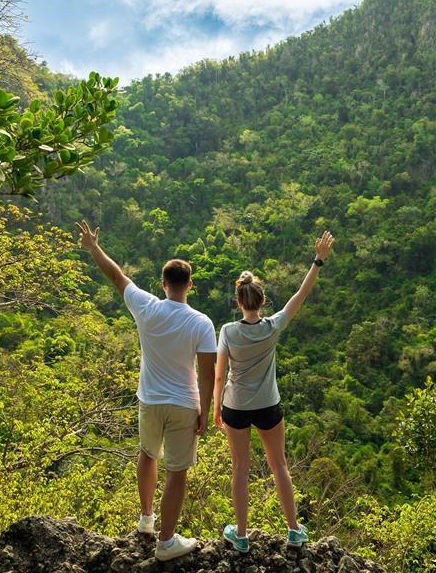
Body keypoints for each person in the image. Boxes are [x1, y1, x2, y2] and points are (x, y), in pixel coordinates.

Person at [76, 220, 217, 561]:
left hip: (150, 399)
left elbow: (116, 275)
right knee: (177, 471)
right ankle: (166, 543)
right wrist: (206, 412)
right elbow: (208, 374)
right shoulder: (201, 322)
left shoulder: (146, 307)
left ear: (163, 283)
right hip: (184, 403)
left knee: (147, 453)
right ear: (190, 285)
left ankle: (146, 519)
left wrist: (94, 247)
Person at [213, 231, 334, 552]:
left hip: (234, 407)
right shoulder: (272, 326)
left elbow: (219, 375)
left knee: (240, 468)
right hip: (268, 405)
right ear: (262, 302)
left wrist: (215, 409)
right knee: (279, 465)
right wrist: (318, 261)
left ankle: (240, 534)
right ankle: (294, 530)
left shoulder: (227, 331)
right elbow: (300, 294)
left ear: (238, 302)